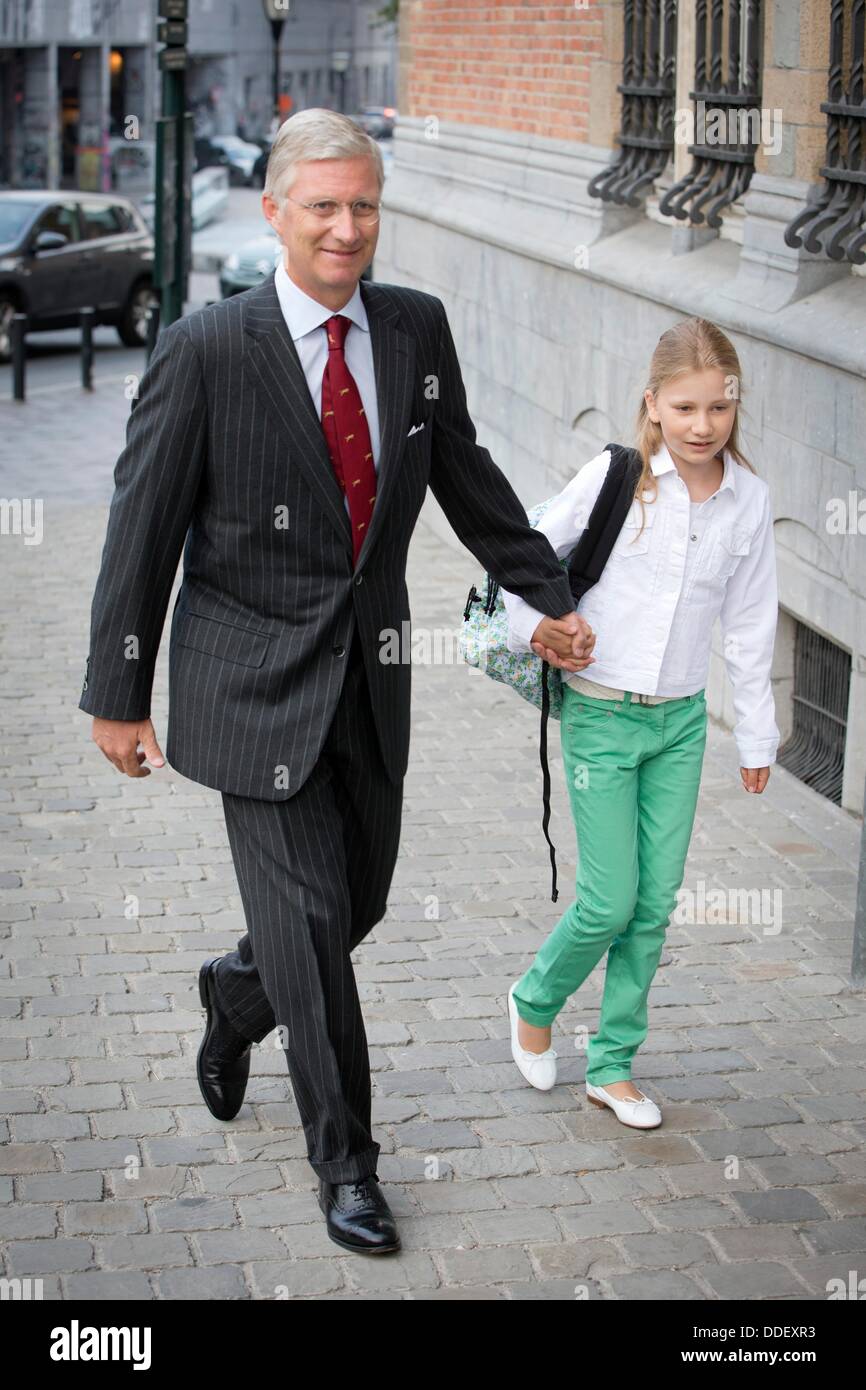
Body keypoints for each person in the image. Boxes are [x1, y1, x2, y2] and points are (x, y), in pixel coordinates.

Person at [77, 108, 596, 1255]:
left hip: (370, 676)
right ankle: (347, 1166)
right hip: (245, 685)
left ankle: (234, 991)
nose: (346, 227)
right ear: (273, 213)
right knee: (312, 929)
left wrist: (545, 594)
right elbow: (139, 528)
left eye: (363, 205)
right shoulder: (208, 348)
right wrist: (116, 689)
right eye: (322, 206)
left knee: (349, 905)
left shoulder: (413, 330)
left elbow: (464, 471)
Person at [501, 317, 780, 1130]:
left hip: (682, 726)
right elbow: (522, 559)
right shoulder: (616, 478)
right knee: (608, 900)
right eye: (685, 408)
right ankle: (535, 995)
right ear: (653, 404)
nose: (702, 426)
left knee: (654, 908)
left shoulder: (749, 502)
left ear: (735, 408)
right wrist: (540, 630)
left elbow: (750, 621)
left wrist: (756, 736)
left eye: (718, 410)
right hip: (601, 718)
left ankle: (613, 1064)